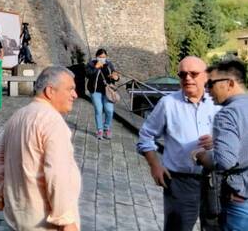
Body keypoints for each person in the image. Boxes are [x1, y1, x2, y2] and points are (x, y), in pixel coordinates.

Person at [0, 66, 81, 231]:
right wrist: (66, 220)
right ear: (50, 91)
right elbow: (57, 174)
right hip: (45, 223)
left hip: (18, 218)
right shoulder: (52, 122)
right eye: (70, 89)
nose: (75, 95)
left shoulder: (18, 115)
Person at [137, 56, 221, 231]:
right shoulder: (168, 104)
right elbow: (145, 136)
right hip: (180, 182)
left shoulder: (219, 104)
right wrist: (155, 166)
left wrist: (219, 141)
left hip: (216, 181)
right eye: (182, 75)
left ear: (206, 76)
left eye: (193, 74)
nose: (188, 78)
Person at [193, 60, 248, 230]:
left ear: (230, 83)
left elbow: (225, 161)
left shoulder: (227, 114)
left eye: (210, 84)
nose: (207, 90)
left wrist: (201, 156)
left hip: (239, 201)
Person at [85, 48, 120, 139]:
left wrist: (115, 77)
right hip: (95, 91)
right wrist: (96, 67)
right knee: (99, 110)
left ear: (106, 57)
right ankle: (99, 130)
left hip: (107, 92)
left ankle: (106, 128)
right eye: (100, 57)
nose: (102, 59)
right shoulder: (91, 64)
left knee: (109, 110)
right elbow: (88, 74)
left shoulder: (109, 64)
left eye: (104, 57)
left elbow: (115, 75)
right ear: (96, 57)